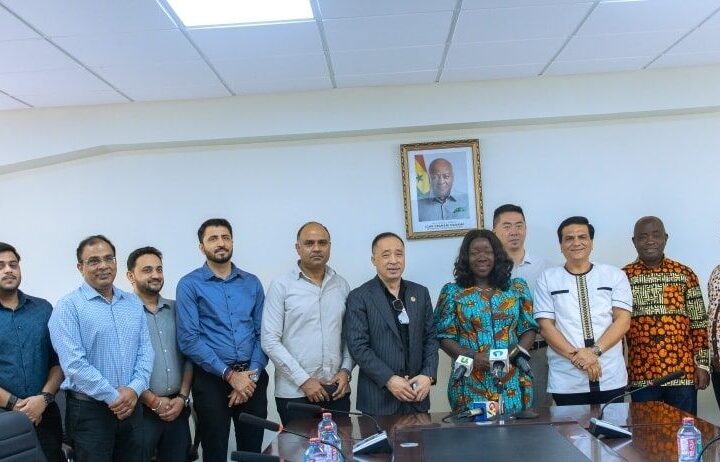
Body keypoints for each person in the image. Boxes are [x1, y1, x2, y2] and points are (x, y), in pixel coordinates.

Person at [49, 235, 153, 462]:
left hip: (132, 407)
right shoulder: (68, 307)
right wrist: (115, 397)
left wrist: (134, 390)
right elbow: (74, 365)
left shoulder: (133, 303)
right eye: (94, 261)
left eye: (109, 258)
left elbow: (146, 352)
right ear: (80, 267)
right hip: (90, 413)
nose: (103, 265)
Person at [176, 218, 268, 460]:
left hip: (253, 378)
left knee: (252, 453)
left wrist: (250, 377)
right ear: (202, 247)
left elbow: (263, 333)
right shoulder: (189, 285)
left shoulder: (252, 283)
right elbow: (188, 339)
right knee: (214, 452)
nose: (221, 243)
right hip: (211, 381)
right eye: (213, 238)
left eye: (225, 237)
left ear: (232, 242)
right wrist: (231, 376)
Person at [435, 229, 537, 414]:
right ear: (466, 258)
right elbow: (443, 336)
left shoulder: (517, 288)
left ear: (497, 255)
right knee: (474, 430)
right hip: (469, 382)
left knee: (515, 430)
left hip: (513, 379)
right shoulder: (452, 292)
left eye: (488, 252)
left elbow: (529, 328)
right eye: (474, 253)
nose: (482, 257)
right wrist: (472, 357)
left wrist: (513, 354)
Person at [262, 222, 353, 425]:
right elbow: (269, 340)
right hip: (295, 393)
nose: (317, 248)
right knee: (298, 445)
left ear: (330, 246)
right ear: (298, 248)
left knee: (340, 443)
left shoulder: (341, 285)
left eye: (322, 243)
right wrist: (304, 380)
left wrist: (346, 371)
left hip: (336, 390)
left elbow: (350, 336)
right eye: (309, 243)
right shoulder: (281, 286)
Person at [534, 217, 632, 405]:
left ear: (591, 242)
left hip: (609, 374)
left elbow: (623, 321)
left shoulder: (614, 275)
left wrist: (594, 352)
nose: (576, 242)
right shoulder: (547, 278)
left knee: (613, 423)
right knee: (570, 425)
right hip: (567, 378)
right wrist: (579, 358)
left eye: (582, 237)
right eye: (569, 238)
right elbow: (546, 327)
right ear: (560, 245)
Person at [344, 232, 438, 415]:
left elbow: (431, 338)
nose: (393, 261)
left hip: (416, 396)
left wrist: (428, 375)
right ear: (374, 260)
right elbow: (358, 346)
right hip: (378, 400)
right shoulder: (359, 297)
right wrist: (389, 379)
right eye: (386, 255)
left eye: (399, 254)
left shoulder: (420, 293)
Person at [623, 216, 709, 415]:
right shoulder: (623, 277)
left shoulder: (684, 274)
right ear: (634, 241)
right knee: (646, 431)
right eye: (643, 237)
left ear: (666, 238)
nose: (650, 241)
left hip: (682, 372)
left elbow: (698, 323)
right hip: (641, 374)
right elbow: (617, 328)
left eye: (656, 235)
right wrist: (620, 370)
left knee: (684, 430)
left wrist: (703, 364)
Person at [126, 247, 193, 460]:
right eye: (147, 270)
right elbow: (121, 364)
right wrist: (152, 401)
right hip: (140, 411)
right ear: (131, 276)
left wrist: (182, 397)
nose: (155, 275)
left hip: (177, 407)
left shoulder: (178, 309)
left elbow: (189, 356)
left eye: (159, 269)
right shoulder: (123, 313)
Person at [0, 242, 63, 462]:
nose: (8, 270)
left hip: (45, 412)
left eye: (13, 264)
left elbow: (57, 361)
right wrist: (17, 405)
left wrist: (43, 399)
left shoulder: (43, 309)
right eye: (0, 266)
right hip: (3, 418)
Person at [492, 204, 552, 408]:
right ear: (495, 231)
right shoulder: (485, 269)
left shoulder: (546, 268)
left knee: (539, 413)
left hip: (537, 353)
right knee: (500, 412)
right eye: (507, 226)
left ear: (526, 229)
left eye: (519, 225)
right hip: (499, 354)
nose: (514, 231)